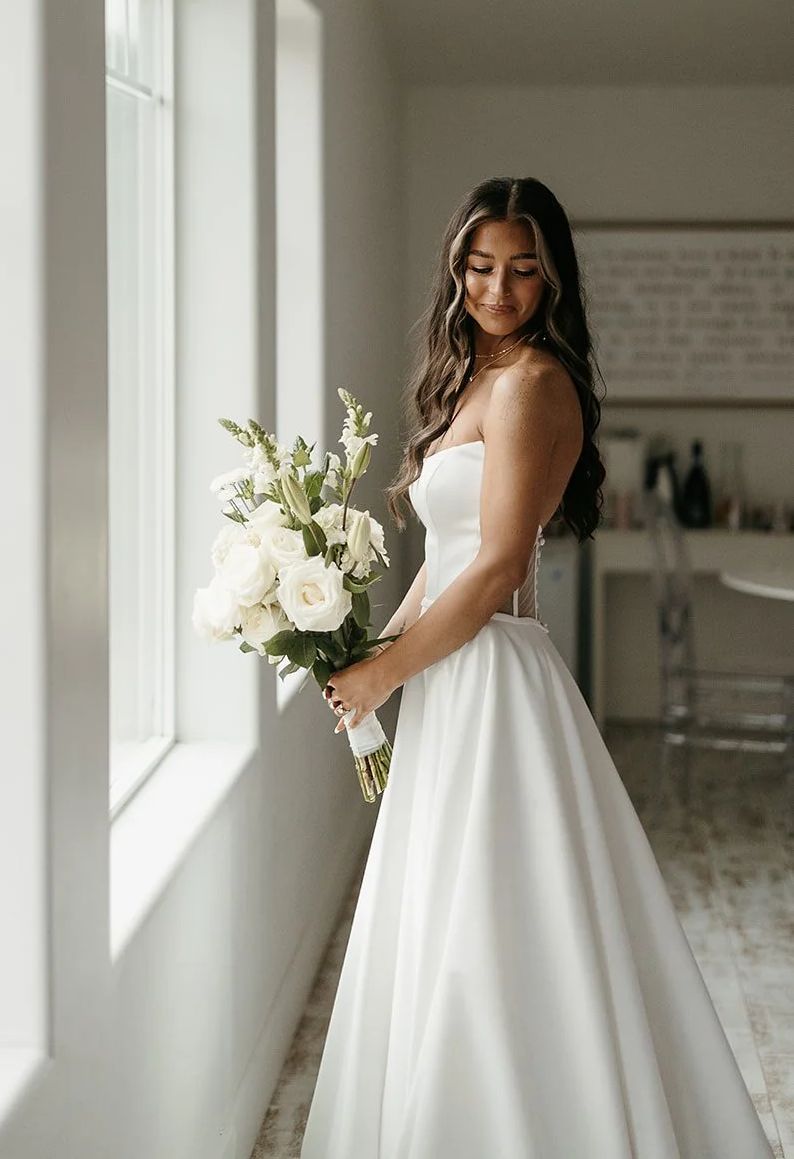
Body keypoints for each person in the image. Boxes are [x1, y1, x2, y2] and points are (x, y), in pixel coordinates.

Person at [300, 177, 772, 1158]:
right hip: (445, 678)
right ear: (455, 268)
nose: (497, 288)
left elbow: (500, 564)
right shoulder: (474, 377)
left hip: (491, 685)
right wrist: (372, 660)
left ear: (550, 276)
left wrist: (386, 675)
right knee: (438, 919)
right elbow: (441, 558)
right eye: (478, 267)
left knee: (497, 927)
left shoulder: (531, 384)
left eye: (521, 269)